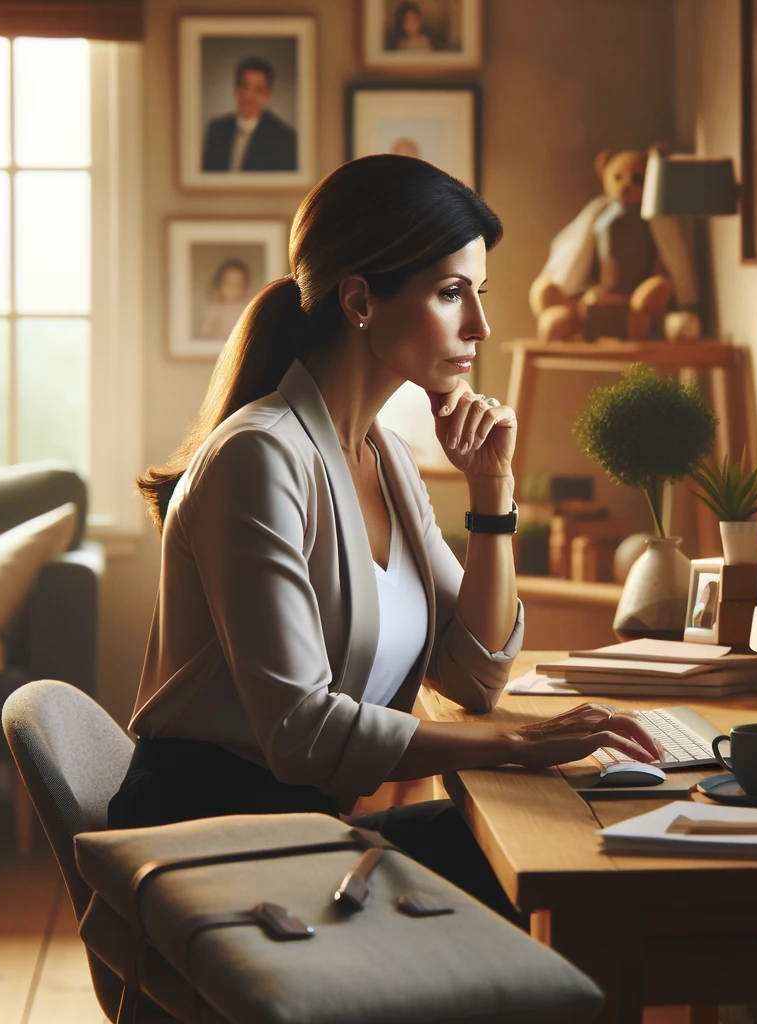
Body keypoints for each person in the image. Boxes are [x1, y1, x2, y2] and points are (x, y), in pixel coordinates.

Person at [115, 155, 662, 923]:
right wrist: (510, 745)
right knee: (541, 867)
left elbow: (476, 676)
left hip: (299, 835)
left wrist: (491, 493)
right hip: (207, 851)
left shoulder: (388, 458)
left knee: (572, 841)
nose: (481, 326)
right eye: (450, 293)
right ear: (361, 300)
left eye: (480, 293)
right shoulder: (259, 456)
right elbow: (302, 734)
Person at [202, 57, 297, 173]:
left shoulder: (284, 138)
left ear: (267, 94)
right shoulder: (216, 130)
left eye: (258, 90)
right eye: (245, 87)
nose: (249, 96)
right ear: (236, 89)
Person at [200, 259, 251, 339]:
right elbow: (206, 333)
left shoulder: (245, 309)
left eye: (238, 284)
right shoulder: (215, 309)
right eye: (228, 283)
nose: (233, 288)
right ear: (219, 285)